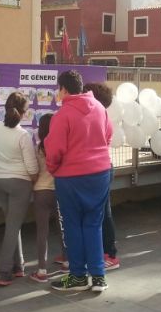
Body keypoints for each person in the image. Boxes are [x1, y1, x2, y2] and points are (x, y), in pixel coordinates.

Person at [45, 70, 113, 292]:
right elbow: (108, 135)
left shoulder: (62, 115)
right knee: (94, 224)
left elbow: (54, 150)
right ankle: (98, 277)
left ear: (63, 89)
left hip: (71, 177)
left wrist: (53, 169)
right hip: (100, 173)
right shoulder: (100, 108)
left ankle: (77, 276)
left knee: (73, 225)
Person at [0, 92, 39, 286]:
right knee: (13, 226)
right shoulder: (23, 135)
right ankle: (4, 271)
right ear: (24, 112)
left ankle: (18, 265)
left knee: (12, 223)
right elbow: (31, 166)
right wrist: (36, 180)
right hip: (19, 182)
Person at [82, 82, 120, 270]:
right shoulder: (100, 115)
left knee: (105, 213)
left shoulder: (100, 116)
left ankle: (110, 254)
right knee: (101, 213)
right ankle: (101, 252)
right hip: (102, 168)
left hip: (102, 169)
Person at [29, 113, 67, 283]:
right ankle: (67, 261)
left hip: (40, 192)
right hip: (58, 190)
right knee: (62, 227)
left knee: (42, 231)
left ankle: (42, 270)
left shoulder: (37, 148)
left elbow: (34, 171)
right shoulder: (60, 146)